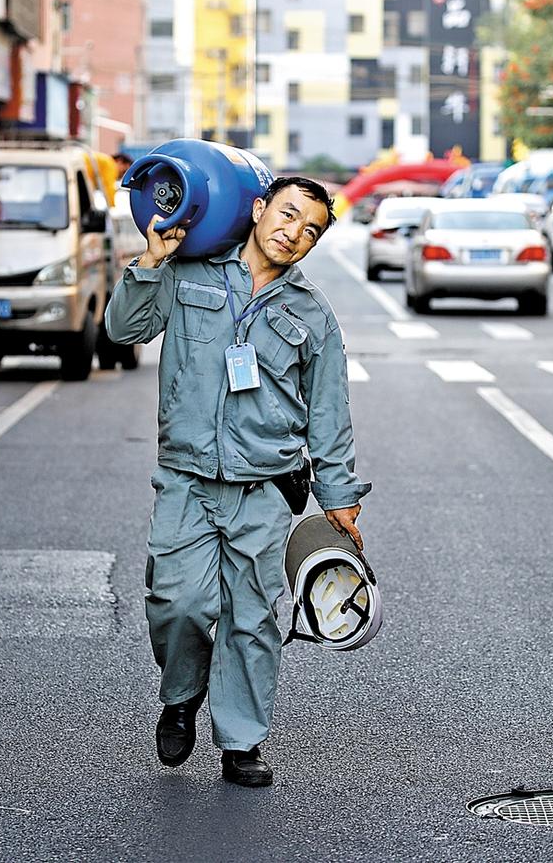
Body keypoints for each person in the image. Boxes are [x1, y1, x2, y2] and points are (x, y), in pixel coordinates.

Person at [105, 176, 370, 788]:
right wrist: (151, 261)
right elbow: (125, 331)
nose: (292, 233)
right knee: (178, 604)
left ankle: (242, 740)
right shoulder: (189, 272)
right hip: (186, 478)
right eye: (286, 214)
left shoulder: (312, 315)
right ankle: (181, 696)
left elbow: (329, 411)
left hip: (267, 487)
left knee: (252, 619)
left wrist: (340, 498)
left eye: (309, 230)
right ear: (258, 209)